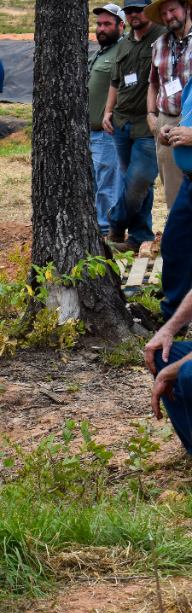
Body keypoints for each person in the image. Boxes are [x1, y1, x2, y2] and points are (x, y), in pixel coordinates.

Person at [104, 0, 166, 252]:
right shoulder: (125, 42)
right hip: (122, 123)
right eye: (128, 11)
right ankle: (139, 237)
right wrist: (108, 111)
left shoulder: (163, 36)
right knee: (139, 187)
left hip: (149, 124)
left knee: (138, 182)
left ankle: (116, 222)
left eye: (138, 10)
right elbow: (115, 82)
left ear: (148, 10)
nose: (133, 15)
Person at [148, 84, 192, 432]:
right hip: (189, 181)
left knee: (185, 372)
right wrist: (171, 132)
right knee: (174, 248)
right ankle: (174, 323)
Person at [147, 0, 192, 208]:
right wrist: (151, 116)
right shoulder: (159, 44)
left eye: (172, 10)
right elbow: (153, 84)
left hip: (190, 120)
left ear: (187, 8)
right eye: (164, 13)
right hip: (166, 123)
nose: (168, 17)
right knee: (173, 194)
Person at [89, 4, 126, 237]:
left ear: (121, 25)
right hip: (91, 132)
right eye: (99, 24)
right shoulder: (101, 52)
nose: (101, 28)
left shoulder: (124, 50)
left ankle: (108, 234)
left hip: (108, 132)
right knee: (94, 184)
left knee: (108, 186)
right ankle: (97, 230)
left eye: (107, 24)